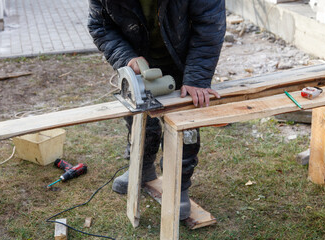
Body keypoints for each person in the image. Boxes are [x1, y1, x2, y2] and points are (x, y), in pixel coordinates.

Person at [88, 0, 226, 220]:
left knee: (184, 122)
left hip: (184, 59)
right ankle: (142, 167)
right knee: (137, 114)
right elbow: (100, 26)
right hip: (138, 56)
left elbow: (209, 25)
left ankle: (177, 184)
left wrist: (197, 77)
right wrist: (127, 58)